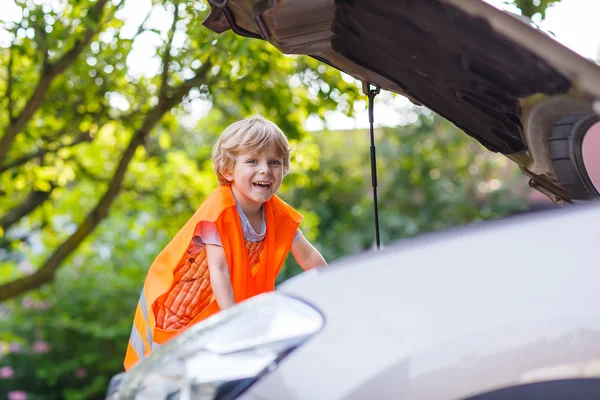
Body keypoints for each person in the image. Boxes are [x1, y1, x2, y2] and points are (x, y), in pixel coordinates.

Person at [124, 115, 327, 371]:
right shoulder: (219, 210)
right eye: (252, 160)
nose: (265, 169)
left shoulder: (277, 214)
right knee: (165, 380)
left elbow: (308, 257)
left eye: (274, 162)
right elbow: (219, 269)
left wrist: (335, 288)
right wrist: (233, 324)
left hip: (216, 312)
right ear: (227, 170)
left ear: (284, 169)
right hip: (179, 312)